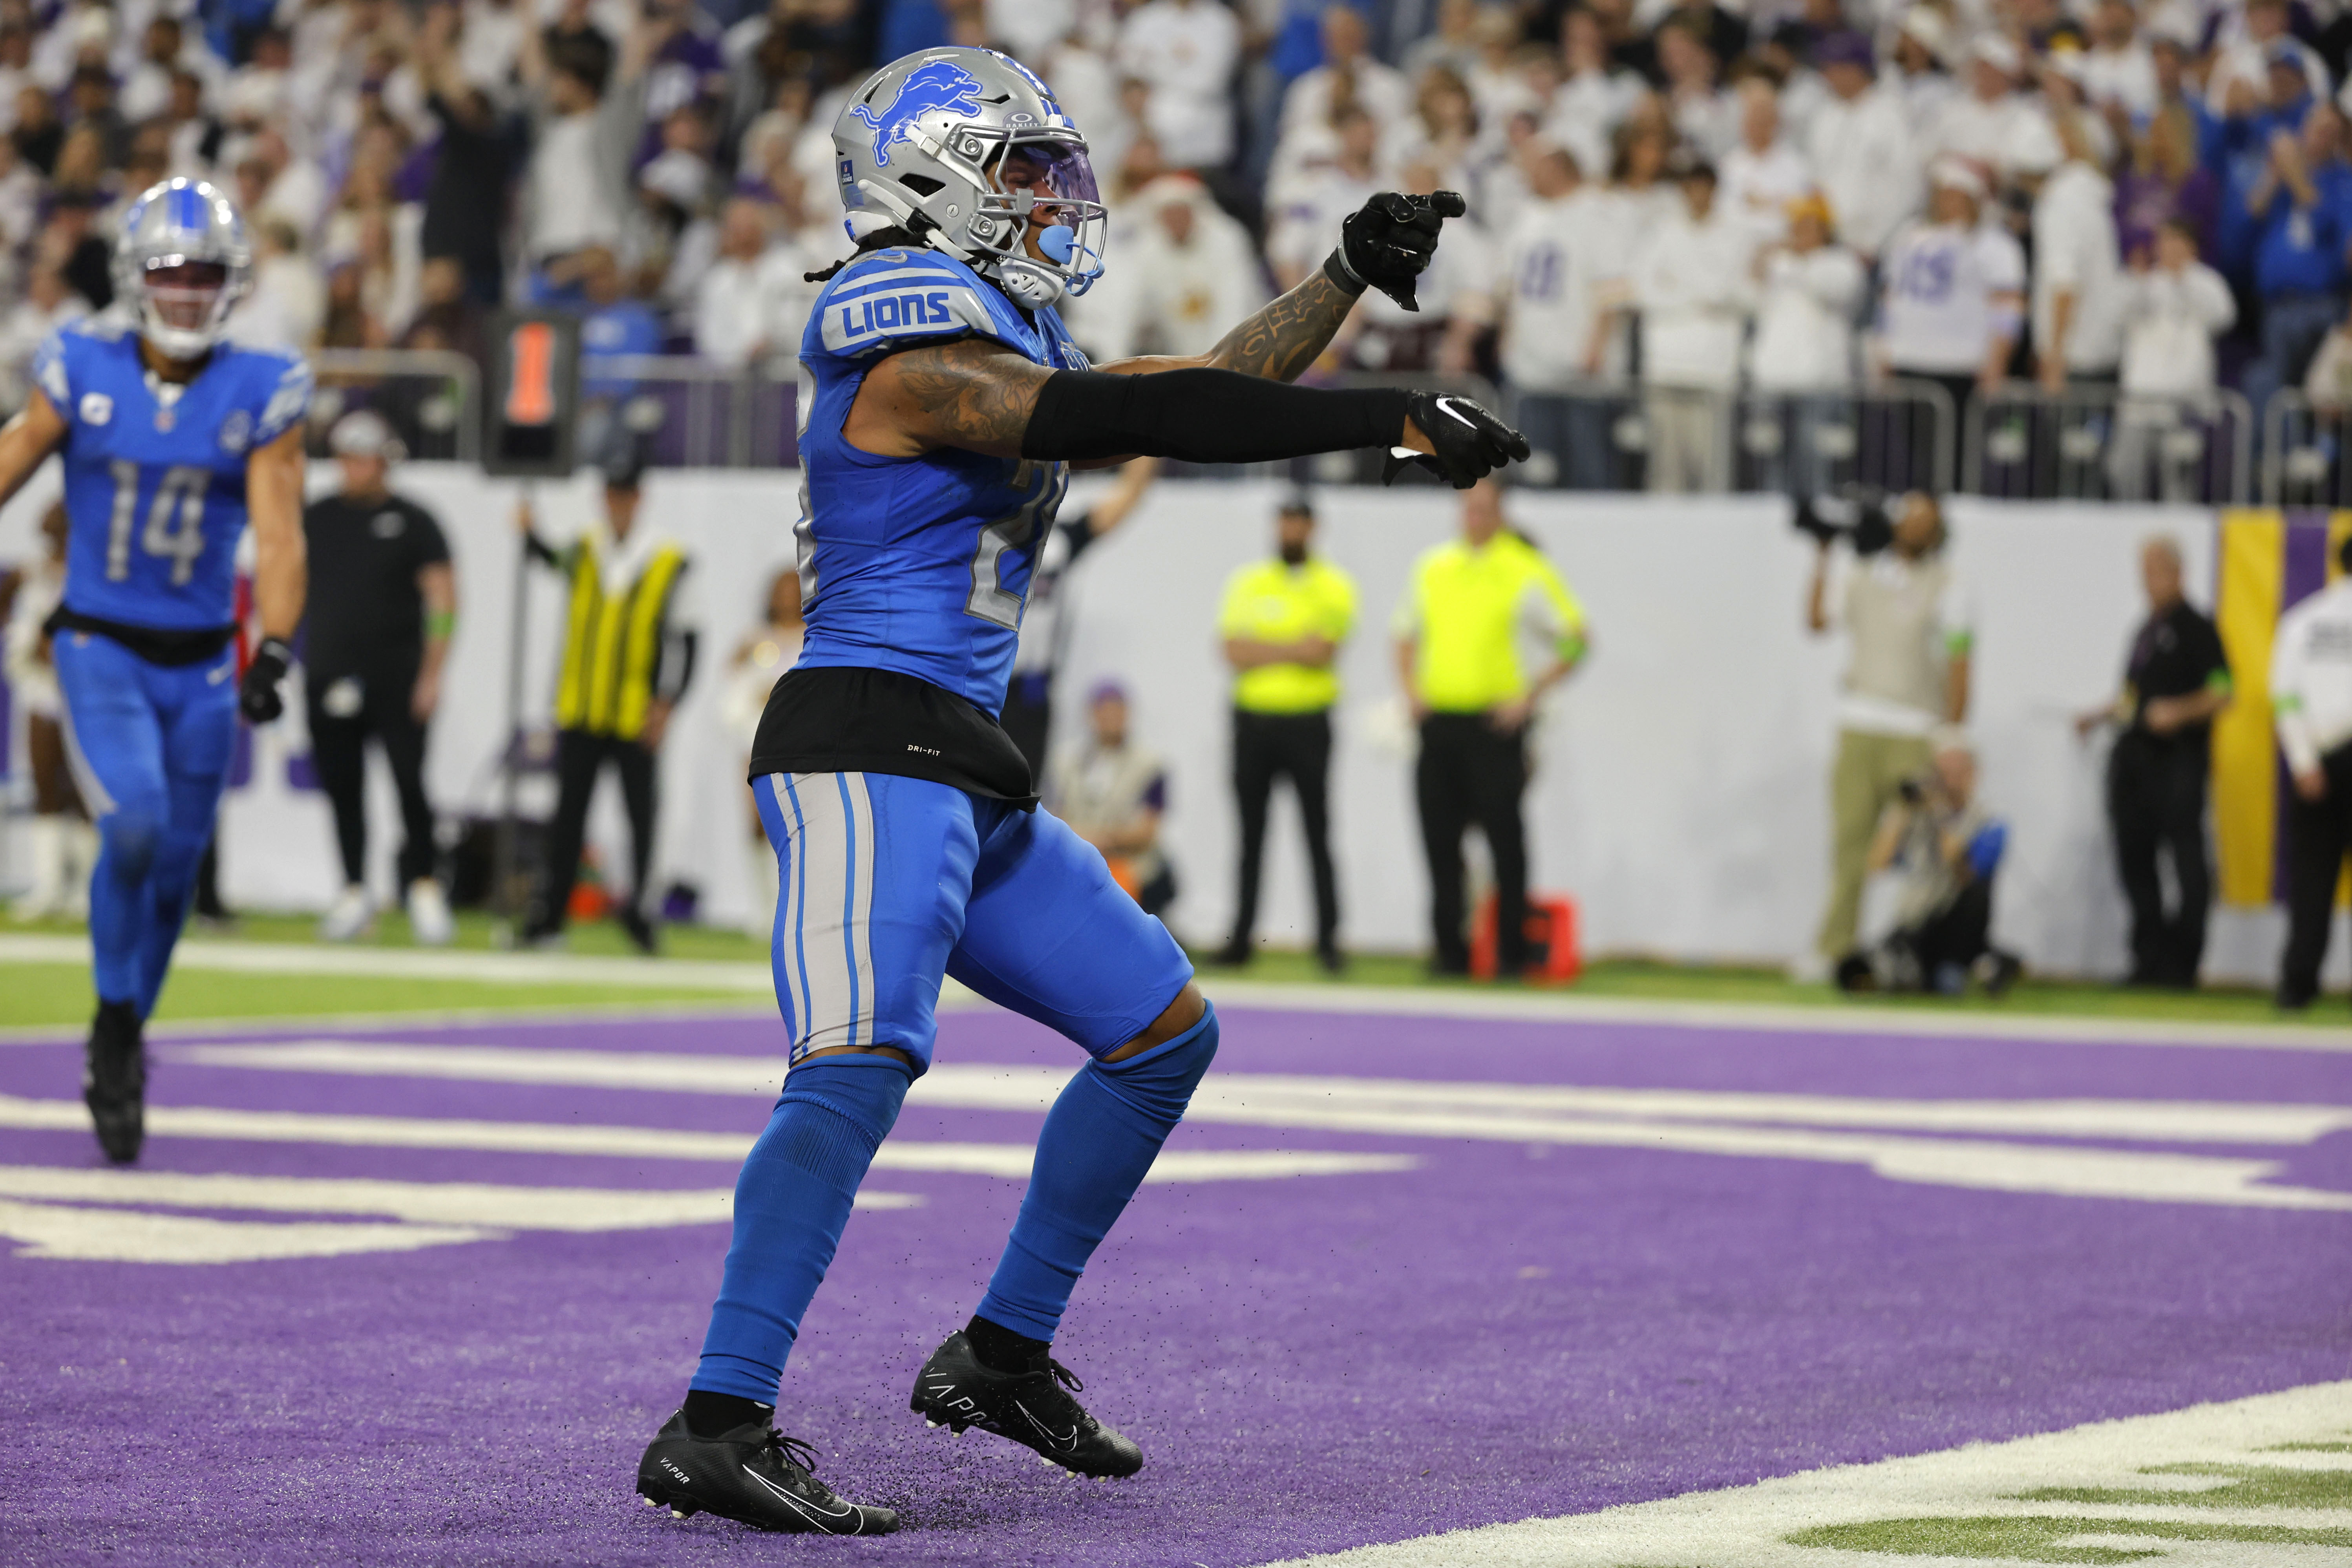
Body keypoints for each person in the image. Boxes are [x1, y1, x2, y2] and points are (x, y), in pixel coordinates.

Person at [635, 45, 1527, 1537]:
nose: (1049, 200)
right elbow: (1119, 417)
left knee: (1161, 1031)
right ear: (924, 186)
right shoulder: (894, 330)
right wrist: (1380, 419)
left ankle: (999, 1352)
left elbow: (1177, 394)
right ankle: (716, 1417)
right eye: (1017, 173)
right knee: (855, 1063)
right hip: (862, 742)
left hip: (960, 756)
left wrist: (1338, 281)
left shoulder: (995, 323)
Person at [0, 178, 308, 1162]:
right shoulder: (80, 362)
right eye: (172, 272)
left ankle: (125, 1029)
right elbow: (15, 452)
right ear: (138, 276)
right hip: (100, 639)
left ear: (233, 283)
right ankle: (112, 1019)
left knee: (175, 871)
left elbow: (281, 529)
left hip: (203, 661)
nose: (186, 292)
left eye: (205, 274)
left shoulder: (260, 385)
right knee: (130, 822)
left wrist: (275, 645)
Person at [1394, 480, 1588, 977]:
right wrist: (1411, 691)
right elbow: (1404, 634)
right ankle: (1449, 950)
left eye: (1486, 509)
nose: (1476, 517)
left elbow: (1576, 639)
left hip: (1494, 726)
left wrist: (1530, 695)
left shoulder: (1524, 568)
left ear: (1501, 512)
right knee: (1439, 841)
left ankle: (1511, 952)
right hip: (1440, 722)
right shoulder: (1434, 566)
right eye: (1470, 508)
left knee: (1506, 842)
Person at [517, 446, 700, 954]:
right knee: (567, 818)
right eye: (610, 493)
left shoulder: (668, 559)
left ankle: (640, 912)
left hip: (633, 711)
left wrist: (666, 703)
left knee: (641, 817)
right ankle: (549, 916)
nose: (616, 503)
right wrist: (530, 531)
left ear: (639, 497)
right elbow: (549, 558)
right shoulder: (585, 548)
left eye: (624, 494)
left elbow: (687, 640)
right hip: (581, 706)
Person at [301, 411, 457, 945]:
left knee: (410, 783)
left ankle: (423, 886)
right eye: (346, 456)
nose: (354, 468)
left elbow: (444, 598)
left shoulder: (415, 521)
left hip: (397, 676)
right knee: (343, 787)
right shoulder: (317, 517)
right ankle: (353, 890)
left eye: (364, 457)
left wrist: (432, 673)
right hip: (328, 673)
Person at [1802, 491, 1973, 979]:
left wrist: (1951, 736)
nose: (1913, 526)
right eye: (1908, 516)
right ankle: (1835, 948)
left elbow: (1961, 663)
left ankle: (1920, 949)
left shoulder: (1952, 585)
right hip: (1861, 722)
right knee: (1850, 844)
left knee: (1927, 850)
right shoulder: (1866, 574)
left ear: (1938, 530)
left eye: (1925, 519)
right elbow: (1817, 622)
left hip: (1916, 729)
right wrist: (1822, 554)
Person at [2076, 536, 2231, 987]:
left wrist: (2178, 712)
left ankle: (2184, 964)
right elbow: (2131, 697)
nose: (2149, 581)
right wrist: (2099, 714)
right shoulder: (2144, 631)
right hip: (2134, 761)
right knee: (2134, 860)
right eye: (2144, 571)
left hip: (2178, 761)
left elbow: (2224, 691)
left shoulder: (2199, 628)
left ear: (2178, 573)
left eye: (2157, 570)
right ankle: (2149, 960)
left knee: (2187, 862)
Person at [1213, 492, 1356, 971]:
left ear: (1313, 529)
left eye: (1298, 524)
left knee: (1317, 831)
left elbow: (1324, 652)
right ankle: (1241, 938)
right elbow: (1233, 651)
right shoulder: (1249, 581)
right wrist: (1295, 646)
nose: (1290, 533)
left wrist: (1265, 648)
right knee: (1250, 836)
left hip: (1308, 724)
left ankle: (1329, 941)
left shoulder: (1333, 585)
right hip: (1253, 722)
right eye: (1284, 524)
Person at [1000, 456, 1160, 777]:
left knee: (1019, 795)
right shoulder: (976, 530)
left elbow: (1130, 494)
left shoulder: (1058, 538)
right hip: (974, 683)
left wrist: (1151, 431)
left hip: (1029, 692)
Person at [1835, 736, 2021, 996]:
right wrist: (1900, 811)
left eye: (1956, 772)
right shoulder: (1916, 817)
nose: (1948, 781)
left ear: (1972, 775)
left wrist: (1941, 813)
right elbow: (1877, 865)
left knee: (1946, 982)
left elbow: (1965, 872)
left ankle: (1966, 965)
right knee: (1871, 964)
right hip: (1916, 920)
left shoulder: (1990, 822)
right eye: (1941, 773)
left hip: (1958, 922)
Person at [1873, 160, 2026, 431]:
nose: (1947, 202)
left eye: (1955, 195)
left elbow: (2008, 308)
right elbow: (1890, 299)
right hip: (1908, 358)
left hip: (1962, 364)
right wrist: (1884, 350)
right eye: (1942, 194)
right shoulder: (1908, 235)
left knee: (1957, 455)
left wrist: (1996, 362)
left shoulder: (1992, 243)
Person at [2270, 532, 2352, 1011]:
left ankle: (2298, 985)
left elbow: (2286, 698)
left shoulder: (2304, 621)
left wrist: (2303, 762)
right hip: (2326, 757)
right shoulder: (2304, 621)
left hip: (2318, 759)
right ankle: (2298, 980)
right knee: (2312, 879)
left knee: (2312, 881)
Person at [3, 503, 95, 918]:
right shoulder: (30, 571)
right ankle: (49, 884)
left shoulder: (93, 578)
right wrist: (25, 642)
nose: (54, 524)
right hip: (41, 689)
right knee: (45, 782)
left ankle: (87, 888)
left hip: (85, 690)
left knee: (84, 789)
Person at [720, 567, 803, 936]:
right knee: (758, 822)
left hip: (800, 741)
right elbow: (734, 684)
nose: (786, 598)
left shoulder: (815, 637)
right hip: (757, 738)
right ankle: (763, 905)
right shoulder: (757, 639)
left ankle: (794, 903)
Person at [1045, 679, 1174, 916]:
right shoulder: (1065, 761)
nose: (1111, 717)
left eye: (1118, 710)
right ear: (1091, 714)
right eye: (1104, 710)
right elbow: (1054, 816)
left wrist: (1103, 839)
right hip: (1078, 857)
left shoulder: (1150, 765)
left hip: (1128, 862)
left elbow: (1148, 831)